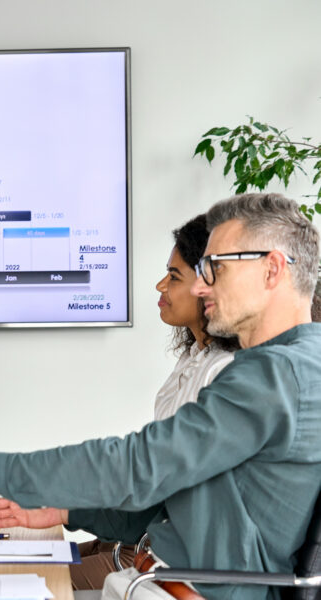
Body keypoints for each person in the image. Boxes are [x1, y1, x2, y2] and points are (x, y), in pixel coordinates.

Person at [0, 193, 321, 600]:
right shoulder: (284, 364)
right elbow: (173, 493)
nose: (201, 286)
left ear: (273, 268)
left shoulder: (277, 375)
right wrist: (64, 508)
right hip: (155, 579)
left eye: (215, 268)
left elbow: (139, 464)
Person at [72, 213, 240, 590]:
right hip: (147, 540)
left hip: (168, 562)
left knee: (31, 574)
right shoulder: (197, 356)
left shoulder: (227, 374)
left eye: (174, 277)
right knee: (27, 551)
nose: (160, 285)